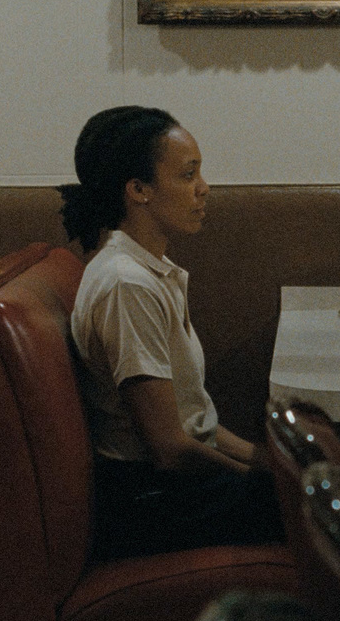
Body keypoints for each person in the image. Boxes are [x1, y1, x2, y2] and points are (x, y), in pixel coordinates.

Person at [58, 105, 281, 559]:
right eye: (187, 174)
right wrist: (267, 480)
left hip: (176, 491)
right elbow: (170, 449)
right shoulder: (127, 284)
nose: (203, 188)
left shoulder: (148, 273)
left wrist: (269, 462)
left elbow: (199, 426)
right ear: (139, 189)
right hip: (152, 504)